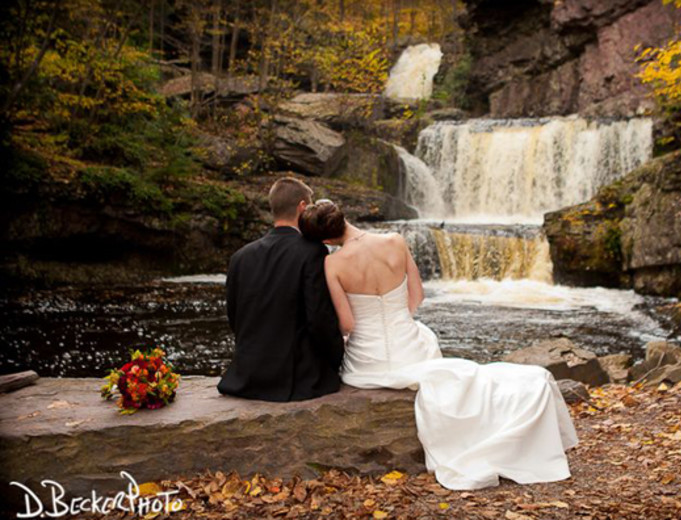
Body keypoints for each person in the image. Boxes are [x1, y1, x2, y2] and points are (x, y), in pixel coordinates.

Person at [299, 200, 579, 491]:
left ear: (327, 240)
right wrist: (401, 325)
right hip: (410, 346)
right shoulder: (395, 241)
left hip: (367, 363)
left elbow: (347, 324)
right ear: (343, 217)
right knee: (431, 343)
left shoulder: (333, 263)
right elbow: (416, 296)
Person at [217, 178, 344, 402]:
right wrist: (337, 359)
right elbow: (319, 319)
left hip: (247, 375)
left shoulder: (240, 256)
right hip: (295, 379)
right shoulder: (313, 251)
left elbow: (235, 318)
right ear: (303, 207)